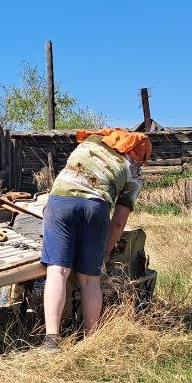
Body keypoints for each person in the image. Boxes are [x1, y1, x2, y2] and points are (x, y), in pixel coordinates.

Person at [39, 128, 152, 351]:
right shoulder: (134, 173)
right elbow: (119, 222)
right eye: (143, 157)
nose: (141, 161)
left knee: (57, 272)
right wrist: (105, 253)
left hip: (62, 200)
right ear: (138, 154)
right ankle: (91, 340)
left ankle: (51, 340)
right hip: (96, 206)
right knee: (90, 279)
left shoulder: (92, 142)